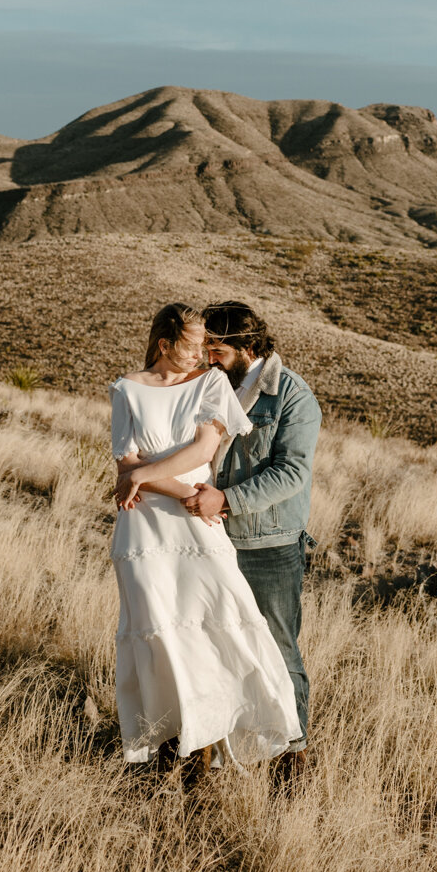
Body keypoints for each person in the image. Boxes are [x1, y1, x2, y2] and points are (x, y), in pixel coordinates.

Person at [109, 302, 300, 780]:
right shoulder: (126, 389)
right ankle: (174, 752)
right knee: (160, 637)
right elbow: (124, 466)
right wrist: (177, 490)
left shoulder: (211, 383)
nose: (203, 356)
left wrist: (146, 477)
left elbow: (202, 449)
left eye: (208, 347)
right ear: (164, 344)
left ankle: (269, 743)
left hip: (200, 526)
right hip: (147, 525)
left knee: (224, 625)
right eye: (193, 346)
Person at [182, 302, 321, 781]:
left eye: (216, 349)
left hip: (269, 547)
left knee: (278, 649)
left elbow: (292, 472)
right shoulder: (211, 386)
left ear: (246, 346)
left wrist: (225, 500)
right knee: (214, 647)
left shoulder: (292, 396)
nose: (208, 357)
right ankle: (215, 754)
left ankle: (292, 759)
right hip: (211, 540)